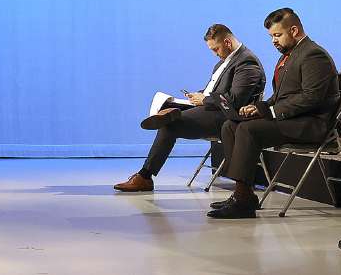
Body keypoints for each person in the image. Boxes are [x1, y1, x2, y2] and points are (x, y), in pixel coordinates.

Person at [207, 8, 339, 219]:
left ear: (294, 30)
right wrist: (259, 107)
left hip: (311, 123)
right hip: (291, 119)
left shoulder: (314, 55)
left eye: (277, 35)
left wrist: (271, 111)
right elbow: (279, 97)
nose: (273, 41)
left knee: (248, 130)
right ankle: (244, 193)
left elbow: (311, 97)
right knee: (230, 126)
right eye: (271, 36)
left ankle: (242, 201)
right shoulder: (288, 56)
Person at [113, 24, 266, 192]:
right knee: (170, 110)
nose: (215, 54)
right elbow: (215, 92)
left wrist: (205, 99)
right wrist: (199, 95)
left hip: (226, 117)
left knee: (170, 125)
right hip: (211, 109)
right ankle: (167, 111)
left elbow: (235, 100)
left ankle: (145, 176)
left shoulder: (246, 62)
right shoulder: (221, 64)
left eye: (216, 49)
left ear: (227, 42)